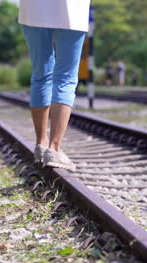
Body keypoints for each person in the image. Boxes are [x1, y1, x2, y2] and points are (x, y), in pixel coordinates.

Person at [18, 0, 90, 171]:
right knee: (65, 76)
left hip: (33, 8)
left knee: (40, 74)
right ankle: (55, 148)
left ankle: (41, 144)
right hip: (71, 8)